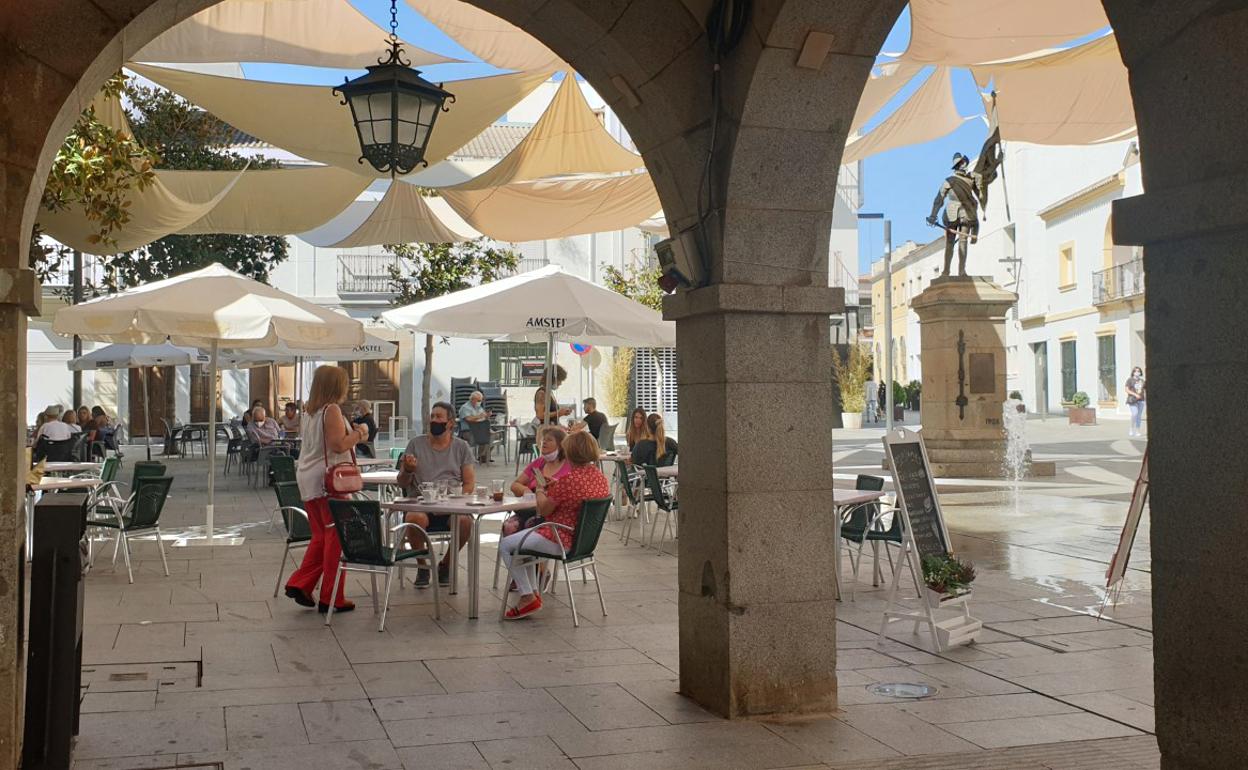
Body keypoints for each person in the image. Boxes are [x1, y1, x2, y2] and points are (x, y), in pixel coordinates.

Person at [497, 430, 610, 619]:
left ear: (571, 452)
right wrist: (556, 485)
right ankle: (532, 594)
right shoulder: (599, 478)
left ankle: (527, 596)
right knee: (522, 545)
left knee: (507, 545)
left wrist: (540, 489)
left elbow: (544, 509)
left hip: (560, 538)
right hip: (583, 541)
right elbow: (575, 494)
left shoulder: (569, 481)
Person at [285, 365, 369, 613]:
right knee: (336, 539)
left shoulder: (310, 412)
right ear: (337, 386)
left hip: (309, 479)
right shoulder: (331, 410)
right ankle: (331, 597)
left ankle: (301, 583)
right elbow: (338, 445)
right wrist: (359, 433)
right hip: (329, 482)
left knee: (321, 536)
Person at [396, 402, 476, 588]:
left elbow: (469, 483)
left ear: (450, 423)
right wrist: (408, 470)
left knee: (465, 522)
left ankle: (445, 565)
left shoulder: (461, 447)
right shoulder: (415, 444)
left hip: (450, 506)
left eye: (439, 417)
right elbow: (402, 482)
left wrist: (456, 498)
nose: (434, 420)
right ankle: (423, 565)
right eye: (432, 416)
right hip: (421, 504)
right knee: (414, 518)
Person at [502, 426, 570, 537]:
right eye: (544, 439)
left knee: (529, 525)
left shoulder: (569, 466)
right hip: (530, 509)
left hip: (552, 514)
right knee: (508, 526)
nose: (544, 442)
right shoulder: (539, 463)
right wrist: (526, 490)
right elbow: (515, 484)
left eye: (549, 440)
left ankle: (523, 547)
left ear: (561, 444)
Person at [457, 391, 492, 462]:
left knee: (493, 435)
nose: (480, 402)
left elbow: (483, 417)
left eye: (481, 400)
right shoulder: (465, 407)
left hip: (479, 429)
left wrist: (487, 416)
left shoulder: (478, 407)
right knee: (485, 436)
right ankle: (479, 456)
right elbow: (468, 419)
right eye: (478, 400)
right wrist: (480, 416)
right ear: (472, 399)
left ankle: (482, 456)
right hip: (468, 430)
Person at [1125, 366, 1146, 437]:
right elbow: (1127, 390)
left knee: (1139, 416)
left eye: (1138, 371)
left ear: (1140, 373)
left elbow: (1144, 389)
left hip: (1141, 400)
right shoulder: (1130, 380)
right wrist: (1135, 394)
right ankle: (1131, 428)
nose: (1137, 372)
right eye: (1135, 371)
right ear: (1133, 372)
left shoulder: (1142, 381)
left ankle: (1137, 430)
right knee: (1135, 413)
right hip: (1132, 400)